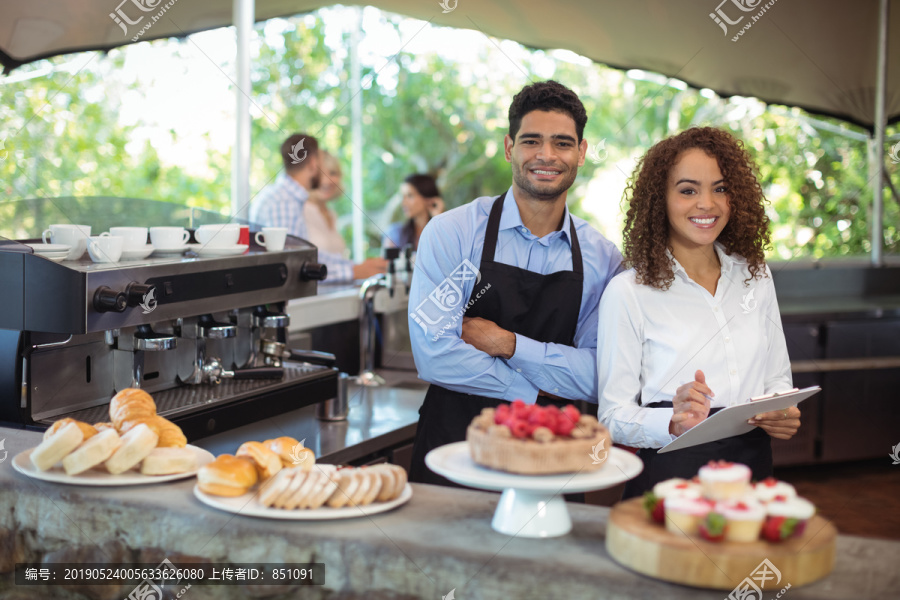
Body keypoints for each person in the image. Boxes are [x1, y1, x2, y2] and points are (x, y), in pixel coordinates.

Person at [407, 80, 624, 486]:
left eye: (562, 143)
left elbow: (599, 375)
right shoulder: (454, 234)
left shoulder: (602, 259)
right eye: (531, 141)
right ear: (510, 148)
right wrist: (532, 394)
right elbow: (434, 353)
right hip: (456, 449)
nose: (546, 155)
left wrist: (507, 344)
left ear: (581, 153)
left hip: (553, 455)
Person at [595, 127, 800, 498]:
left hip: (752, 471)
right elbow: (612, 417)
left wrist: (781, 411)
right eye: (688, 190)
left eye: (720, 188)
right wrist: (672, 420)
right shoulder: (628, 292)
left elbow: (777, 380)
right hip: (672, 474)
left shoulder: (755, 275)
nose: (707, 203)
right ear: (660, 200)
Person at [250, 134, 386, 282]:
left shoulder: (287, 199)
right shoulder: (283, 202)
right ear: (313, 163)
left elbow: (309, 255)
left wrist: (355, 267)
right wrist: (353, 271)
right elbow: (293, 266)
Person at [383, 174, 444, 251]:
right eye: (403, 196)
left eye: (410, 196)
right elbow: (386, 262)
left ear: (428, 198)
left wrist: (438, 219)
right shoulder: (395, 233)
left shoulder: (443, 231)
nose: (403, 203)